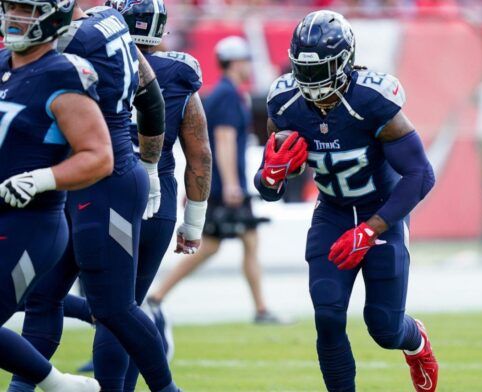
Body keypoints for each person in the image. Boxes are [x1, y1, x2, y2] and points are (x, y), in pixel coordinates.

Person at [255, 10, 438, 392]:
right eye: (303, 70)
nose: (310, 80)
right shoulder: (285, 102)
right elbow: (268, 185)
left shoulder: (371, 100)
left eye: (320, 69)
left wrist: (372, 230)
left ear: (344, 62)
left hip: (378, 212)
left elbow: (421, 175)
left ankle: (416, 341)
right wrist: (270, 176)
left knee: (385, 328)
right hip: (333, 213)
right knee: (327, 316)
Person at [7, 1, 181, 391]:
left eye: (26, 10)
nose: (16, 19)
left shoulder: (70, 48)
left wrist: (151, 167)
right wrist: (150, 164)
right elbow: (148, 91)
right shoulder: (107, 20)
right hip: (75, 179)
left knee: (114, 306)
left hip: (104, 178)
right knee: (43, 296)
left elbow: (151, 95)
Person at [59, 0, 211, 388]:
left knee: (104, 308)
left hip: (93, 192)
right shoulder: (178, 72)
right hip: (153, 200)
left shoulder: (82, 55)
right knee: (121, 307)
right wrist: (193, 223)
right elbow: (200, 154)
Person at [0, 0, 112, 389]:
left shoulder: (63, 73)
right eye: (11, 6)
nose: (15, 17)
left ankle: (58, 385)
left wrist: (40, 179)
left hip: (30, 223)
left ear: (54, 16)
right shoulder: (2, 64)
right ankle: (61, 386)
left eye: (27, 10)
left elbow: (98, 157)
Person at [149, 35, 279, 324]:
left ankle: (260, 308)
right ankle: (156, 296)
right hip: (224, 186)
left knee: (242, 241)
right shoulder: (228, 95)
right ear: (235, 61)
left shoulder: (224, 93)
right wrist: (232, 184)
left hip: (218, 184)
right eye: (245, 59)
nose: (249, 65)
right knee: (211, 245)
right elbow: (223, 141)